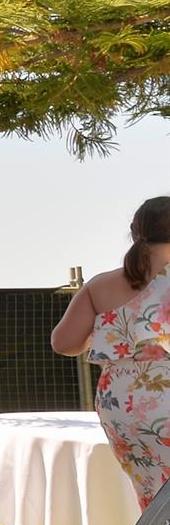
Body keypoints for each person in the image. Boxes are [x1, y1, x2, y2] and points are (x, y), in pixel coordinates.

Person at [51, 195, 170, 508]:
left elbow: (63, 342)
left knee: (152, 496)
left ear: (135, 232)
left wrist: (112, 335)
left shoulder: (100, 285)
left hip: (121, 402)